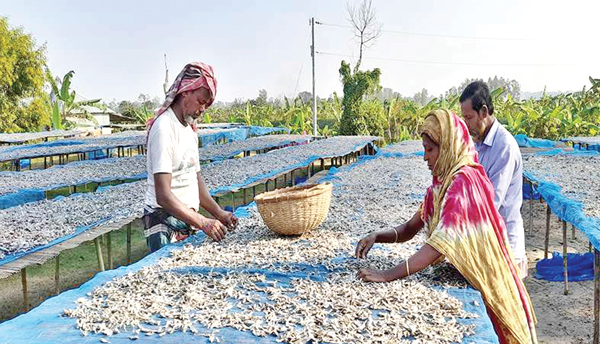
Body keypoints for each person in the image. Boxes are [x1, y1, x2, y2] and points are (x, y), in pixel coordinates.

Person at [355, 109, 537, 344]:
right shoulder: (440, 184)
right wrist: (377, 235)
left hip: (489, 279)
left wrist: (387, 275)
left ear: (448, 147)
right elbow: (411, 227)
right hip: (472, 275)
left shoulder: (464, 182)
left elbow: (438, 246)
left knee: (502, 332)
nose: (424, 157)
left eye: (430, 150)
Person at [143, 62, 237, 252]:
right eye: (201, 101)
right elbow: (163, 195)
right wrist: (203, 222)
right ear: (186, 91)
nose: (202, 109)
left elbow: (195, 180)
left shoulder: (190, 130)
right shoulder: (164, 128)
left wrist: (219, 214)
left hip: (187, 219)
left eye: (206, 105)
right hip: (164, 221)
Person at [460, 81, 527, 278]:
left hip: (505, 246)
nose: (466, 124)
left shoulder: (503, 146)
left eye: (469, 118)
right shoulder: (478, 143)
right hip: (487, 244)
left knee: (510, 306)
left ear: (484, 111)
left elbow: (490, 204)